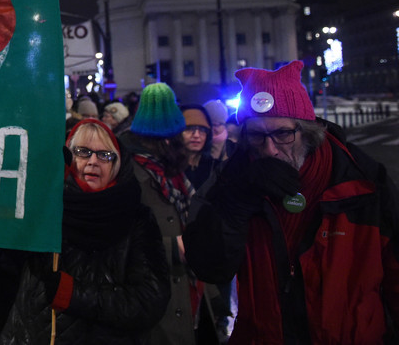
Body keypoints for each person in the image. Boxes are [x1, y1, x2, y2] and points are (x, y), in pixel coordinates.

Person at [184, 60, 399, 344]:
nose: (270, 149)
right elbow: (210, 267)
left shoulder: (360, 179)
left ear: (307, 131)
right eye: (257, 136)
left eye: (283, 134)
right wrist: (238, 201)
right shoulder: (230, 179)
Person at [0, 118, 171, 344]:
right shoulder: (46, 209)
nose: (93, 162)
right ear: (69, 157)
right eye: (83, 152)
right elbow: (6, 270)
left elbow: (149, 300)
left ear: (117, 164)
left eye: (104, 155)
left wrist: (73, 294)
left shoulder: (137, 219)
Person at [123, 82, 198, 345]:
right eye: (162, 138)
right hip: (153, 297)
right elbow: (118, 240)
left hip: (188, 291)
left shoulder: (173, 172)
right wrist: (171, 249)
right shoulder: (130, 171)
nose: (170, 142)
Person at [180, 105, 216, 192]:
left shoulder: (214, 168)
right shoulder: (168, 168)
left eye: (202, 129)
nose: (196, 135)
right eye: (189, 129)